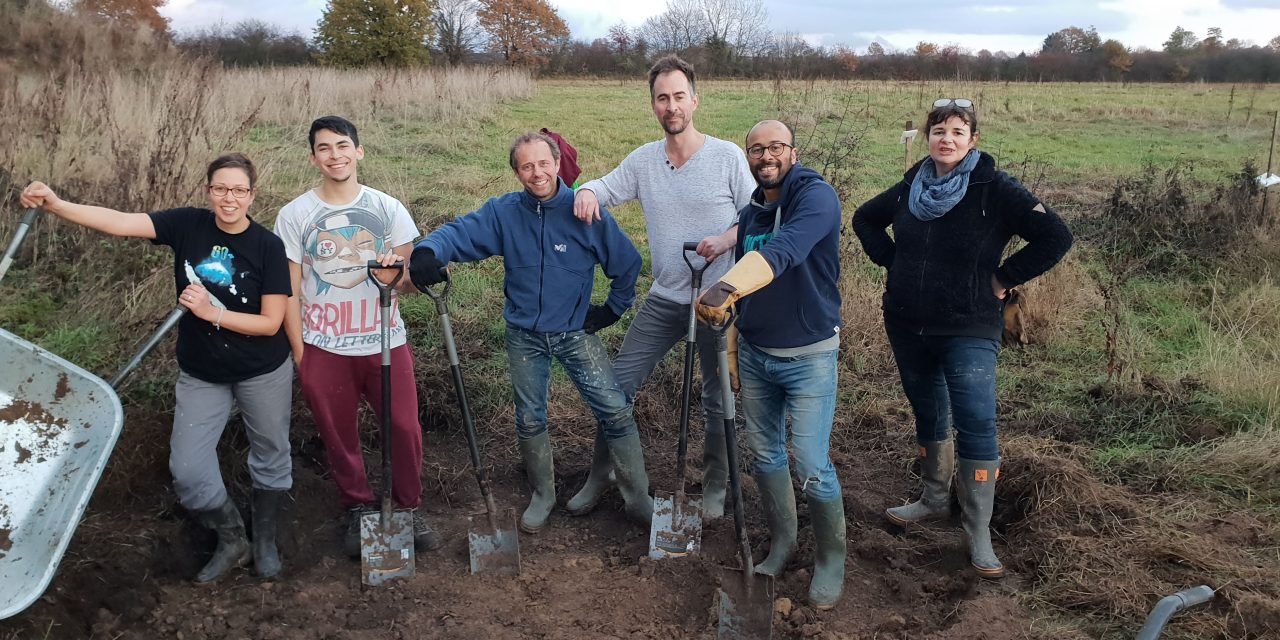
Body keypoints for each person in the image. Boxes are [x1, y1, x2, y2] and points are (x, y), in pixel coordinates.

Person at [20, 154, 293, 582]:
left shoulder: (268, 246)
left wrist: (209, 313)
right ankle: (232, 537)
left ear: (252, 195)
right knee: (188, 471)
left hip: (262, 369)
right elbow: (119, 222)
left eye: (239, 190)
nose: (229, 198)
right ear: (208, 190)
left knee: (271, 452)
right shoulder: (188, 225)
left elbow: (271, 322)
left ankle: (265, 540)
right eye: (221, 188)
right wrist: (56, 204)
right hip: (202, 372)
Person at [852, 99, 1073, 579]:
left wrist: (1003, 278)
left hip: (969, 324)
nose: (946, 139)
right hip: (908, 322)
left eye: (957, 131)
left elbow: (1055, 236)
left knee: (975, 420)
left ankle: (977, 530)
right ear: (928, 137)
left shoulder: (994, 188)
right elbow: (864, 219)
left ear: (973, 140)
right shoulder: (913, 184)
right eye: (938, 131)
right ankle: (933, 498)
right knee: (928, 410)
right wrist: (895, 264)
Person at [409, 132, 650, 533]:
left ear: (557, 164)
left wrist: (611, 309)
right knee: (529, 417)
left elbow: (627, 262)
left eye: (543, 163)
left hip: (574, 332)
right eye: (526, 166)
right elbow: (461, 231)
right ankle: (544, 494)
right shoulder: (505, 212)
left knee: (614, 409)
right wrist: (427, 252)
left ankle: (637, 497)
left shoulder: (583, 211)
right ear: (517, 172)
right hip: (524, 335)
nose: (536, 173)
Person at [572, 55, 755, 520]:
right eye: (661, 98)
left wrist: (726, 239)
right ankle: (603, 473)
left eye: (678, 96)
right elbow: (605, 186)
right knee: (616, 387)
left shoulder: (727, 156)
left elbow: (755, 216)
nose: (671, 106)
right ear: (653, 105)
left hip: (718, 300)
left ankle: (714, 487)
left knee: (718, 397)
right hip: (666, 298)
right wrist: (588, 191)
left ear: (694, 100)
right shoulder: (643, 161)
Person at [696, 120, 847, 610]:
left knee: (810, 463)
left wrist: (727, 287)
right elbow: (747, 295)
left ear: (793, 152)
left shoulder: (816, 198)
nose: (766, 156)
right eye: (756, 149)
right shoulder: (753, 211)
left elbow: (785, 253)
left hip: (809, 358)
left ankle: (831, 558)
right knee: (765, 455)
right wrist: (736, 349)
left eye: (775, 147)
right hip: (759, 357)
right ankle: (783, 542)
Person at [274, 116, 439, 558]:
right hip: (324, 345)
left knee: (404, 427)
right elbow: (290, 288)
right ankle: (358, 505)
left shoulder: (389, 210)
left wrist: (400, 272)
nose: (335, 155)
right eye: (324, 148)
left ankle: (408, 504)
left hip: (385, 340)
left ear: (359, 151)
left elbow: (407, 283)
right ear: (314, 158)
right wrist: (299, 351)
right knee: (338, 432)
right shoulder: (294, 215)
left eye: (343, 145)